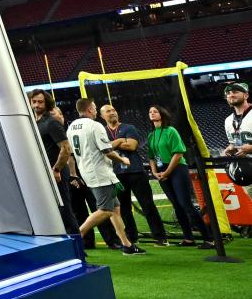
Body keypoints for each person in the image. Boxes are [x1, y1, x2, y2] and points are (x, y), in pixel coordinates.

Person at [67, 97, 142, 255]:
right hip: (100, 173)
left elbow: (71, 153)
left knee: (115, 208)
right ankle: (75, 237)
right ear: (89, 109)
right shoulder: (95, 125)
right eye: (94, 108)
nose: (95, 111)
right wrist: (123, 159)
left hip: (88, 170)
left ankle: (127, 244)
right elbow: (107, 151)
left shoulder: (71, 126)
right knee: (106, 210)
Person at [101, 103, 168, 246]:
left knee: (147, 205)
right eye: (108, 111)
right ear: (102, 116)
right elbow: (103, 149)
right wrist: (120, 141)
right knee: (123, 208)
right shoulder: (101, 131)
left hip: (136, 172)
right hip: (116, 174)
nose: (112, 112)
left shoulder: (129, 127)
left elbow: (131, 146)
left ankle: (160, 237)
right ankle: (132, 238)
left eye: (114, 110)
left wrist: (113, 143)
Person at [147, 104, 211, 247]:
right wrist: (154, 172)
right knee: (176, 205)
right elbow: (151, 157)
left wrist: (167, 172)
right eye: (150, 112)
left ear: (162, 114)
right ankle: (188, 238)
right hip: (162, 171)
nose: (152, 113)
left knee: (185, 204)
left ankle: (209, 238)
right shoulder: (151, 135)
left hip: (177, 169)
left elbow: (178, 153)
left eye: (155, 111)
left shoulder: (171, 131)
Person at [29, 89, 80, 233]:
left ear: (47, 103)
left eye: (40, 102)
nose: (37, 105)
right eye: (34, 102)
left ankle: (77, 248)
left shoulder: (51, 123)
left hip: (55, 171)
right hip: (43, 171)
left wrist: (57, 169)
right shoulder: (33, 123)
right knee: (49, 209)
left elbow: (66, 148)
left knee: (64, 208)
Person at [222, 81, 252, 201]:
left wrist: (250, 148)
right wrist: (231, 147)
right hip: (247, 171)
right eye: (228, 93)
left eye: (235, 92)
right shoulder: (228, 121)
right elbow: (235, 142)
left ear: (246, 95)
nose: (231, 95)